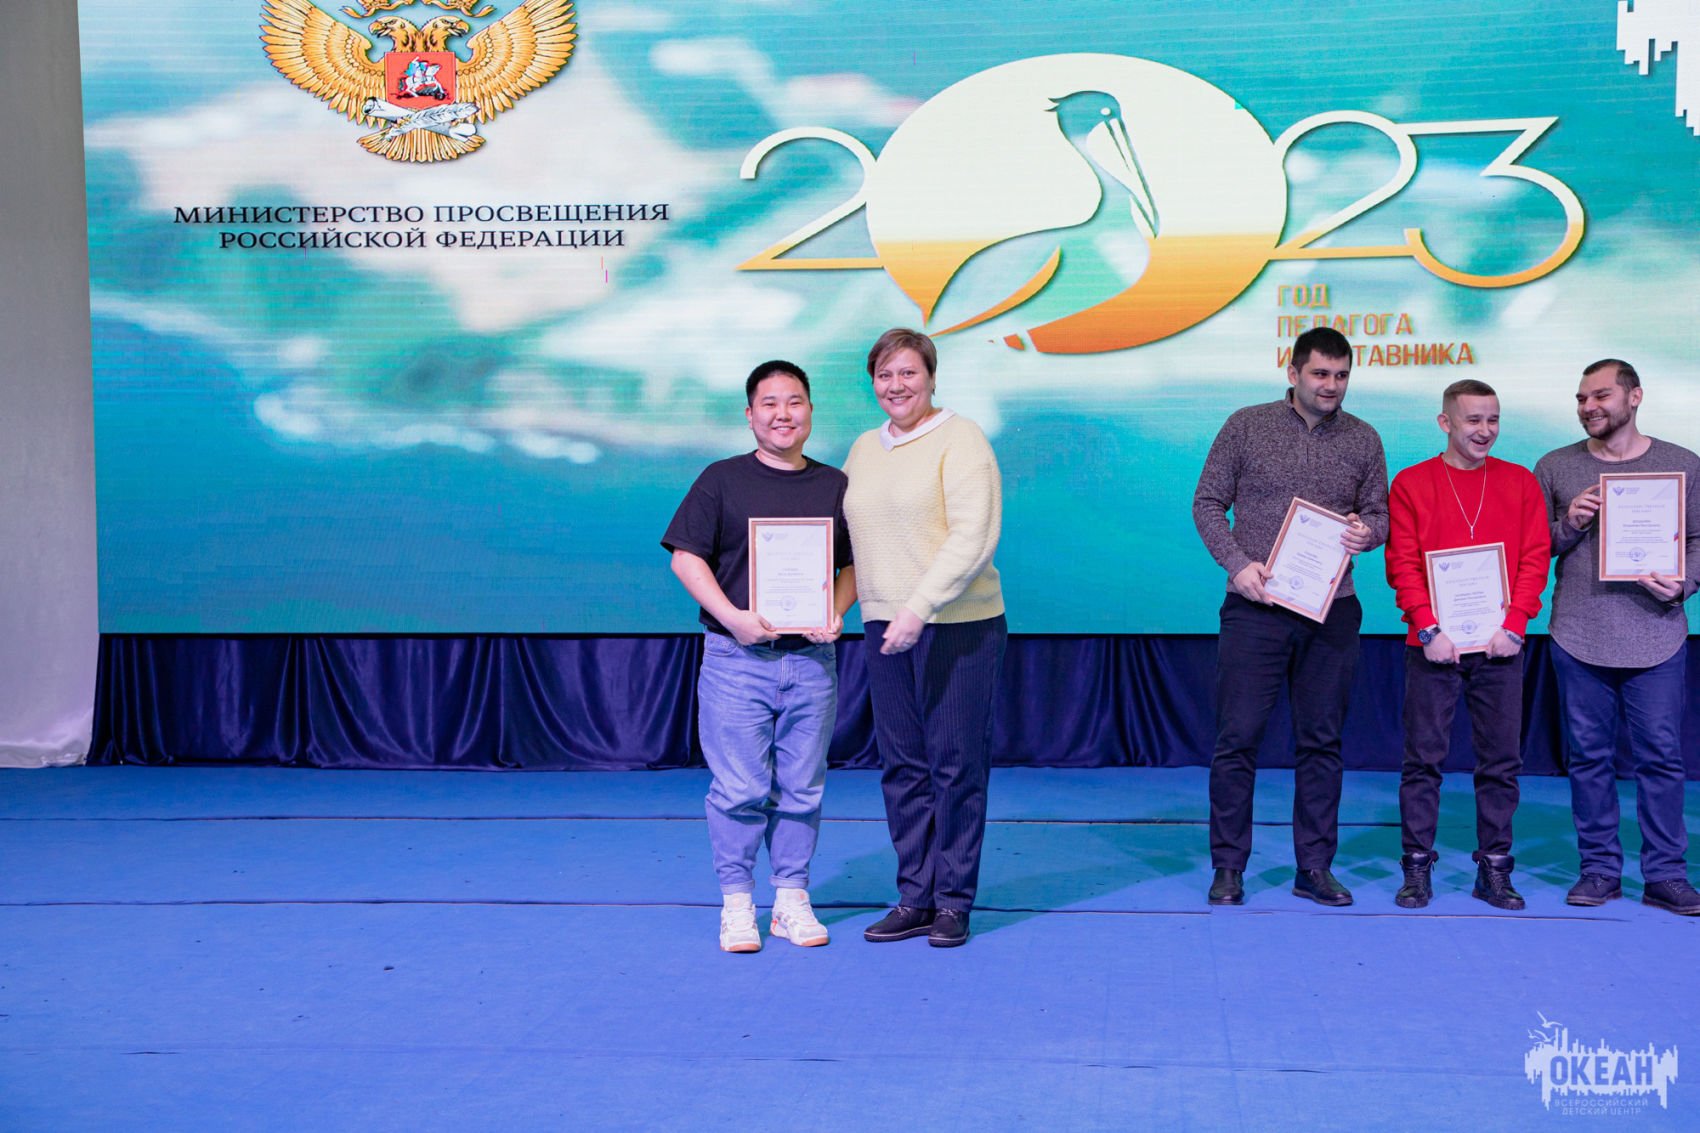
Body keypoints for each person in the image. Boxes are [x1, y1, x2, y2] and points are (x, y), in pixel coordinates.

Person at [662, 360, 858, 952]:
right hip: (735, 660)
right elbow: (686, 558)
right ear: (750, 415)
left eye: (794, 401)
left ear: (810, 411)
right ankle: (739, 904)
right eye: (769, 404)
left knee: (803, 788)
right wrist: (734, 618)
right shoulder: (720, 480)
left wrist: (835, 610)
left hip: (812, 663)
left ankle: (792, 900)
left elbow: (853, 565)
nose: (782, 414)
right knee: (739, 788)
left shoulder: (835, 485)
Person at [1192, 327, 1388, 906]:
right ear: (1293, 372)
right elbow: (1207, 503)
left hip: (1333, 611)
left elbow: (1380, 513)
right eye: (1320, 374)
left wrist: (1368, 533)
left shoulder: (1364, 438)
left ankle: (1315, 868)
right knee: (1237, 740)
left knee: (1322, 743)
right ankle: (1229, 868)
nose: (1332, 386)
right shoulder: (1245, 425)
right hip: (1256, 607)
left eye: (1342, 375)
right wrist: (1237, 565)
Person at [843, 328, 1006, 948]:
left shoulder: (962, 439)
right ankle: (916, 896)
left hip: (957, 626)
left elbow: (973, 535)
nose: (897, 385)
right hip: (884, 624)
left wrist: (920, 606)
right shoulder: (864, 448)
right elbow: (850, 541)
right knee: (903, 766)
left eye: (908, 373)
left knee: (955, 764)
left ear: (932, 378)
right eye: (885, 375)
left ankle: (953, 901)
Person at [1534, 358, 1700, 915]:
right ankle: (1600, 870)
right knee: (1588, 758)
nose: (1589, 407)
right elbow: (1535, 547)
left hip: (1657, 635)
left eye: (1601, 396)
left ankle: (1666, 874)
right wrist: (1570, 524)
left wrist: (1684, 584)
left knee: (1662, 759)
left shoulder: (1683, 464)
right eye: (1582, 399)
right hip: (1578, 636)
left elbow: (1699, 540)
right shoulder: (1555, 466)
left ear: (1635, 397)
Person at [1384, 379, 1549, 910]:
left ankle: (1494, 869)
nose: (1485, 430)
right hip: (1433, 645)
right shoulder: (1411, 483)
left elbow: (1534, 558)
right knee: (1422, 760)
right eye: (1473, 419)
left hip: (1501, 645)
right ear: (1445, 422)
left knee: (1501, 762)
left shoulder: (1520, 482)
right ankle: (1416, 867)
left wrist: (1516, 624)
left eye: (1493, 419)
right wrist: (1428, 629)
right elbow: (1402, 563)